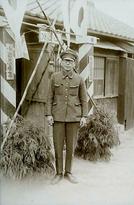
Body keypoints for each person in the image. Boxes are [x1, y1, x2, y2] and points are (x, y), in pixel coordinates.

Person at [45, 48, 88, 184]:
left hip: (74, 118)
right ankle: (58, 173)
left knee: (70, 146)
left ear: (74, 63)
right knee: (57, 145)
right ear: (61, 62)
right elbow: (49, 97)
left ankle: (68, 172)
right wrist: (48, 114)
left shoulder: (79, 79)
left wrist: (84, 116)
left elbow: (84, 99)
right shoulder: (54, 77)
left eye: (70, 61)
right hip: (57, 117)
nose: (68, 64)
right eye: (65, 61)